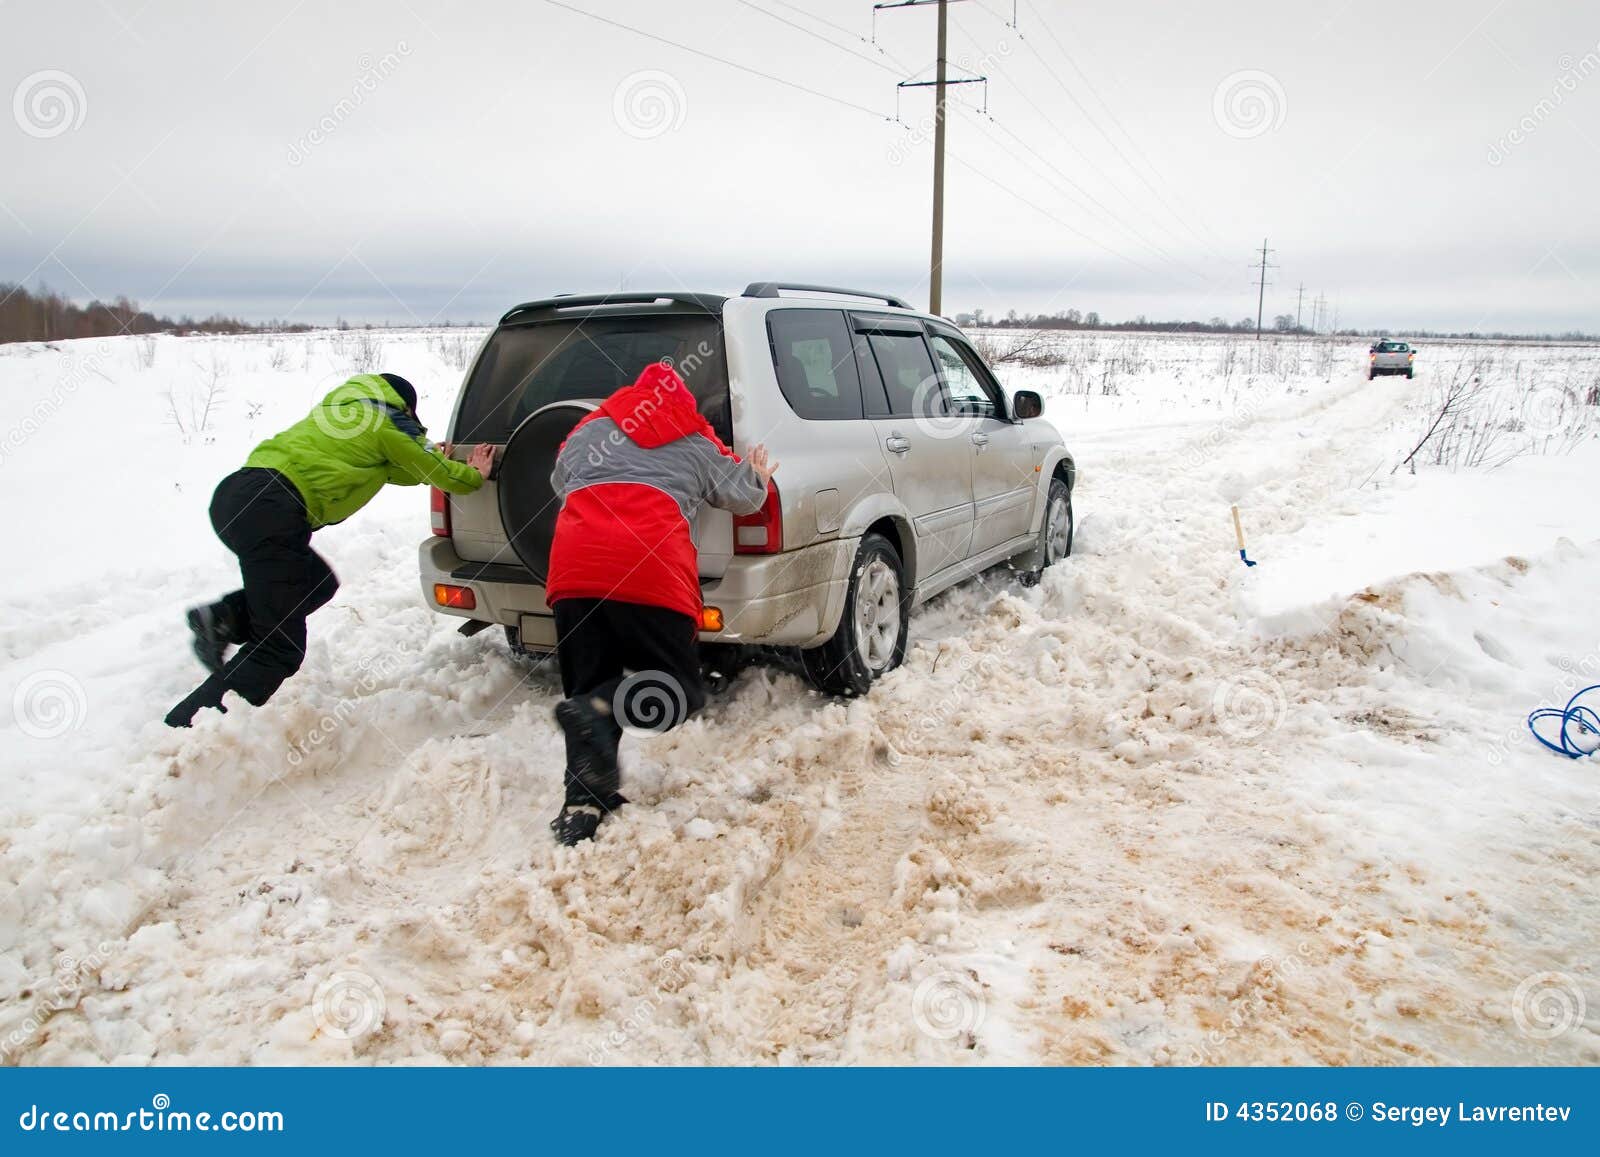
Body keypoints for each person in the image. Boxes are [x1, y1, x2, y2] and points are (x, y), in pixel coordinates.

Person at [166, 372, 494, 727]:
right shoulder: (388, 426)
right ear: (404, 407)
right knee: (279, 649)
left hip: (238, 496)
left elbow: (394, 469)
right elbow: (444, 477)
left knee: (316, 582)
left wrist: (434, 459)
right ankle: (190, 727)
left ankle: (224, 618)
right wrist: (474, 472)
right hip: (273, 511)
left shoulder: (343, 412)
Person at [544, 361, 777, 845]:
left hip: (575, 569)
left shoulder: (587, 431)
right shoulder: (692, 437)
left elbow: (560, 483)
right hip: (647, 571)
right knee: (680, 693)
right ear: (682, 402)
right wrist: (755, 475)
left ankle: (582, 804)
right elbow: (742, 497)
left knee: (590, 689)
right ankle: (599, 711)